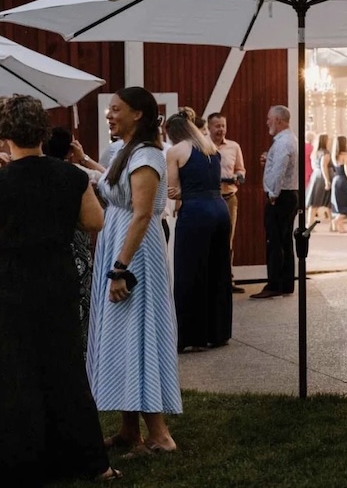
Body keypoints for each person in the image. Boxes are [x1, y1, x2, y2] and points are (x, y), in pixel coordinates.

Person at [0, 95, 121, 484]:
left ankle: (25, 462)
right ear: (43, 131)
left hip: (11, 282)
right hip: (56, 278)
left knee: (17, 370)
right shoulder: (70, 176)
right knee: (66, 369)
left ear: (5, 134)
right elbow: (95, 221)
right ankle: (92, 462)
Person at [89, 86, 181, 456]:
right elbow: (116, 191)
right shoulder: (124, 151)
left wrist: (120, 269)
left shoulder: (146, 156)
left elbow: (142, 215)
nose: (109, 115)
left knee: (139, 335)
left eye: (116, 109)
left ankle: (160, 435)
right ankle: (129, 431)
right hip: (118, 241)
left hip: (135, 254)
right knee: (122, 335)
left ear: (137, 114)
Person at [165, 113, 232, 352]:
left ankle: (192, 336)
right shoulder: (210, 148)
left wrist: (182, 193)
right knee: (218, 270)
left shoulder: (176, 152)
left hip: (195, 212)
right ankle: (218, 331)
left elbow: (172, 190)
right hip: (220, 209)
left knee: (190, 272)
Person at [43, 127, 102, 342]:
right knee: (80, 302)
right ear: (70, 150)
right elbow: (108, 180)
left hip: (44, 249)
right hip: (76, 244)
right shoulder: (79, 175)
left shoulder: (29, 174)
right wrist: (84, 157)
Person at [251, 105, 298, 299]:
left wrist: (272, 193)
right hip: (289, 194)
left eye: (269, 119)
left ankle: (274, 284)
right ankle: (286, 283)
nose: (267, 122)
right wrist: (268, 159)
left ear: (278, 120)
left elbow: (279, 169)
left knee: (275, 241)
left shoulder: (282, 142)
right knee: (285, 241)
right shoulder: (290, 139)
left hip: (280, 196)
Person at [207, 112, 246, 294]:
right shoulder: (202, 146)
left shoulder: (234, 147)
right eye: (217, 126)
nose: (221, 130)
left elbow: (240, 169)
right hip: (209, 199)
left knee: (227, 240)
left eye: (223, 126)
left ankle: (227, 281)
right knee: (209, 239)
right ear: (209, 127)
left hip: (229, 199)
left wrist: (238, 177)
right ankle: (210, 282)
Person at [330, 135, 347, 233]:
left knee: (340, 204)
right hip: (343, 180)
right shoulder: (346, 155)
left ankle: (340, 227)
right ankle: (336, 221)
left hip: (336, 180)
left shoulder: (334, 155)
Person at [305, 133, 332, 226]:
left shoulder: (315, 152)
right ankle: (332, 224)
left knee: (314, 201)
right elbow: (323, 166)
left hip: (315, 175)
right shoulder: (325, 153)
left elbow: (314, 166)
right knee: (327, 201)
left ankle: (310, 222)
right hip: (323, 177)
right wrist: (327, 180)